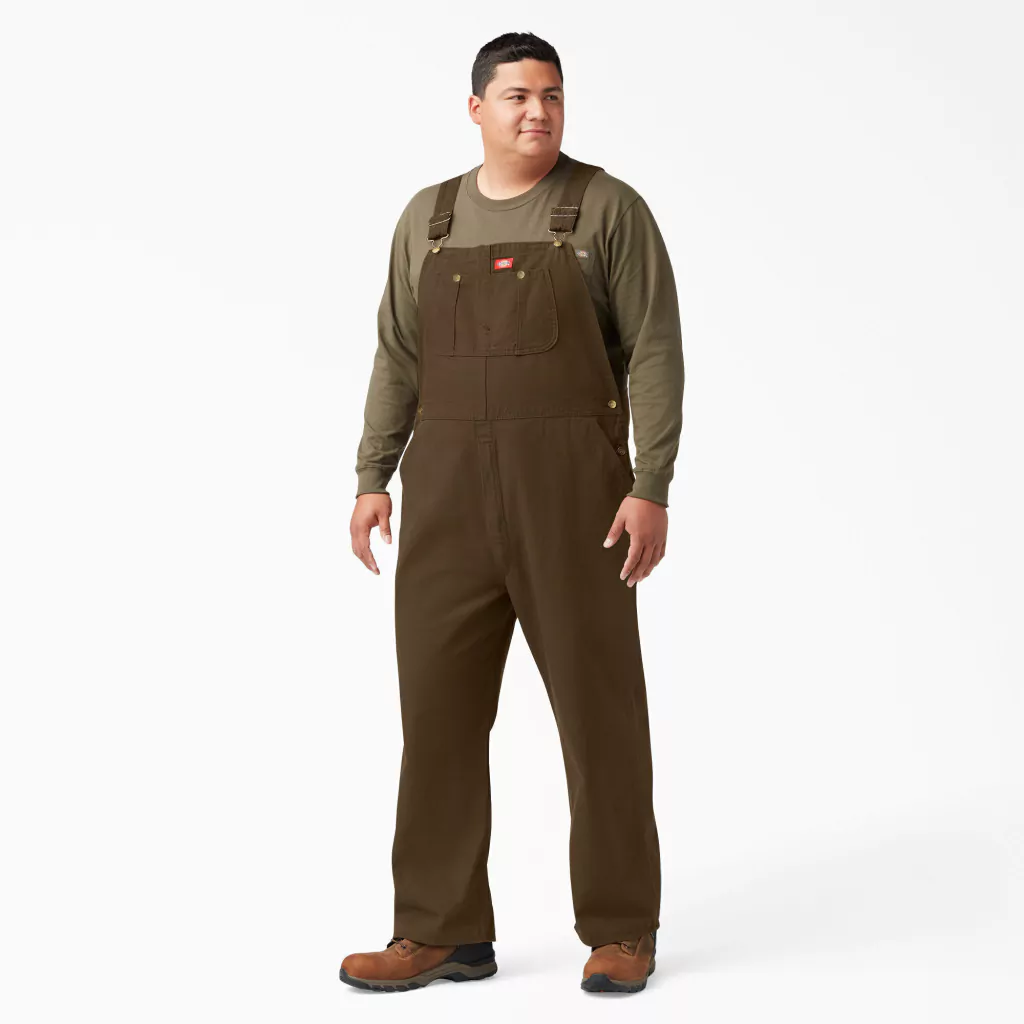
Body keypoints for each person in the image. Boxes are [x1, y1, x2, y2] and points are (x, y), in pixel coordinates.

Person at [341, 31, 684, 995]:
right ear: (476, 108)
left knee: (598, 713)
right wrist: (372, 474)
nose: (539, 111)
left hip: (576, 502)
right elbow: (398, 353)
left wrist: (650, 484)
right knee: (437, 717)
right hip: (446, 501)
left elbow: (655, 349)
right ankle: (441, 930)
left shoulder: (607, 209)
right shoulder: (430, 218)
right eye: (518, 96)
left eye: (553, 96)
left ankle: (622, 927)